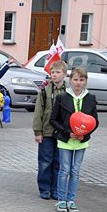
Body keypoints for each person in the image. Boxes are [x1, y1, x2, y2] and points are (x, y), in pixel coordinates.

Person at [50, 67, 99, 212]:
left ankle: (71, 200)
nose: (78, 83)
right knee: (64, 170)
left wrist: (85, 134)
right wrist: (67, 132)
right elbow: (53, 120)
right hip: (65, 140)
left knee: (75, 170)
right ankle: (61, 200)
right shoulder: (62, 97)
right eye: (75, 79)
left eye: (81, 80)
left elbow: (95, 121)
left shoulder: (90, 98)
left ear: (86, 82)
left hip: (81, 141)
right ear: (70, 81)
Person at [32, 60, 67, 200]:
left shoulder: (68, 91)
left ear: (64, 74)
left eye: (58, 72)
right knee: (45, 161)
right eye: (52, 72)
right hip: (46, 131)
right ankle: (44, 189)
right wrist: (37, 131)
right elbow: (38, 111)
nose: (55, 75)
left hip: (62, 132)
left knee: (59, 162)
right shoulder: (45, 91)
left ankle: (56, 189)